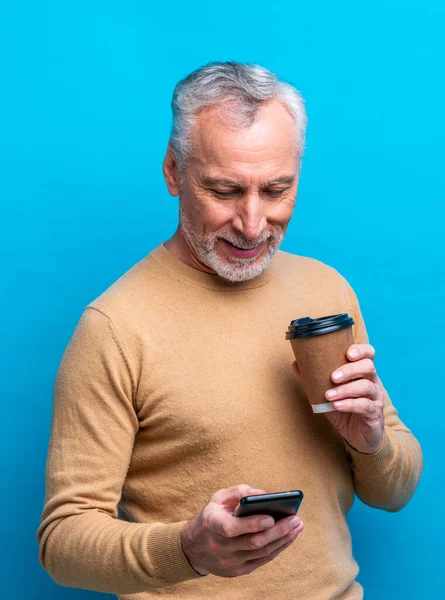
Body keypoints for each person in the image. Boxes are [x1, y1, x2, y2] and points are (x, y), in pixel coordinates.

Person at [37, 61, 423, 600]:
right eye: (224, 190)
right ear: (174, 171)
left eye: (276, 189)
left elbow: (396, 492)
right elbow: (61, 542)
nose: (252, 223)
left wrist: (372, 442)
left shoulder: (327, 291)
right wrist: (188, 550)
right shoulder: (114, 328)